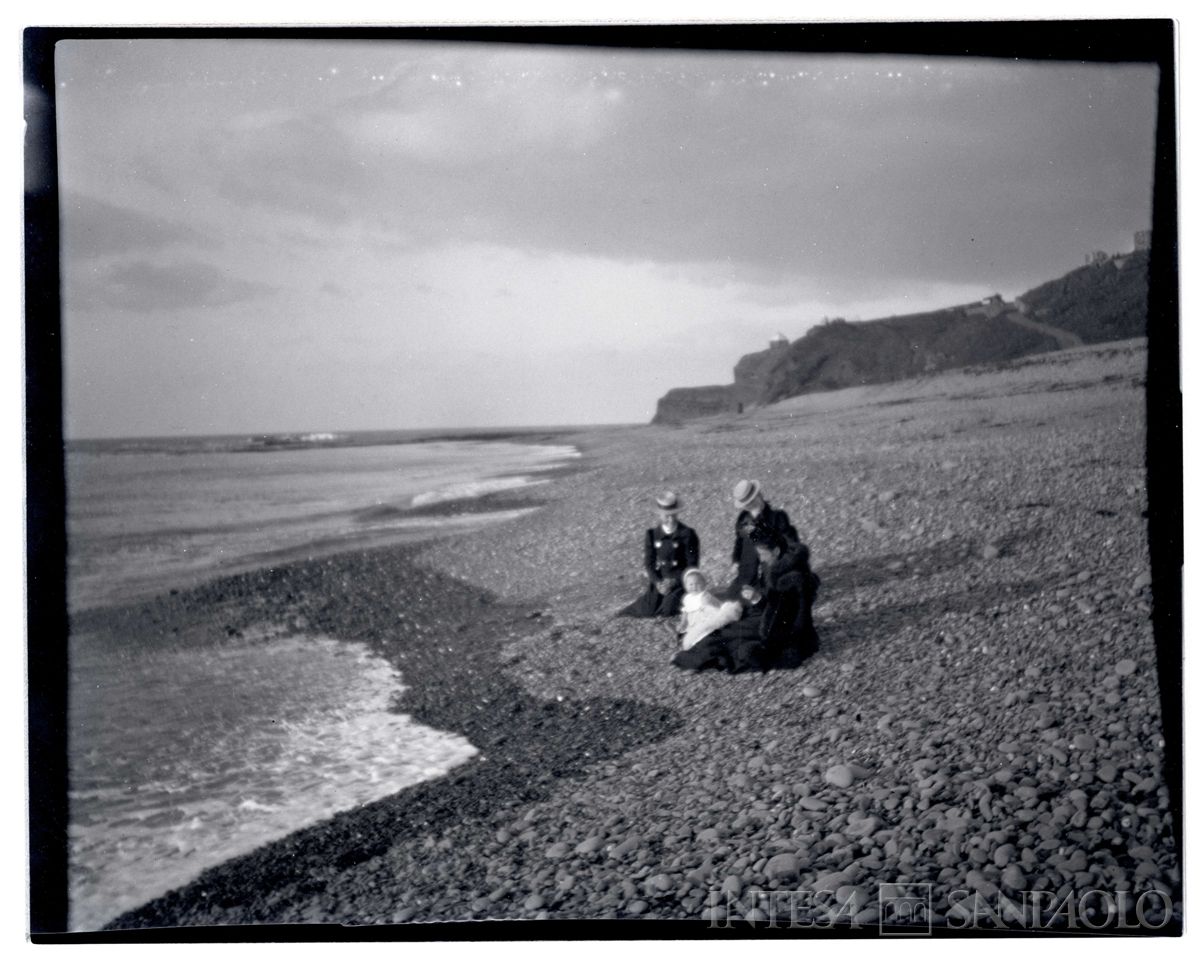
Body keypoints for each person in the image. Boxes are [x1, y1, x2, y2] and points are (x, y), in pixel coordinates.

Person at [673, 525, 819, 673]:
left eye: (762, 554)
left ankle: (697, 658)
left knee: (731, 635)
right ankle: (695, 654)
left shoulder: (792, 578)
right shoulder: (776, 566)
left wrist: (776, 636)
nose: (760, 558)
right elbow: (774, 604)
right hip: (769, 619)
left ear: (775, 551)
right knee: (730, 630)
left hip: (780, 629)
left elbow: (793, 617)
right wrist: (757, 598)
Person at [615, 491, 700, 618]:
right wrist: (658, 582)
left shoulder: (688, 534)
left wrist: (675, 581)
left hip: (679, 580)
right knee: (647, 610)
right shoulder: (652, 535)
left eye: (673, 515)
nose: (670, 519)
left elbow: (692, 564)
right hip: (661, 579)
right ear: (659, 515)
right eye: (666, 516)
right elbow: (649, 563)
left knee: (668, 610)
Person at [723, 478, 802, 599]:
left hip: (774, 563)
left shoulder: (777, 517)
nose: (749, 506)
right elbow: (739, 542)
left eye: (751, 501)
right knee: (733, 597)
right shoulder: (743, 518)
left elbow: (791, 545)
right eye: (746, 504)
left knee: (769, 598)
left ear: (759, 495)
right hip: (749, 565)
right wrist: (736, 560)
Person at [674, 568, 743, 651]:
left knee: (704, 632)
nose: (694, 587)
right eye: (691, 584)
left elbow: (717, 604)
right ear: (685, 586)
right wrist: (683, 622)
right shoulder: (687, 598)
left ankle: (703, 643)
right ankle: (687, 640)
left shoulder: (705, 596)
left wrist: (722, 608)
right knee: (688, 633)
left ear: (704, 584)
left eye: (697, 583)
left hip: (704, 619)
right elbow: (685, 611)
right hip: (692, 622)